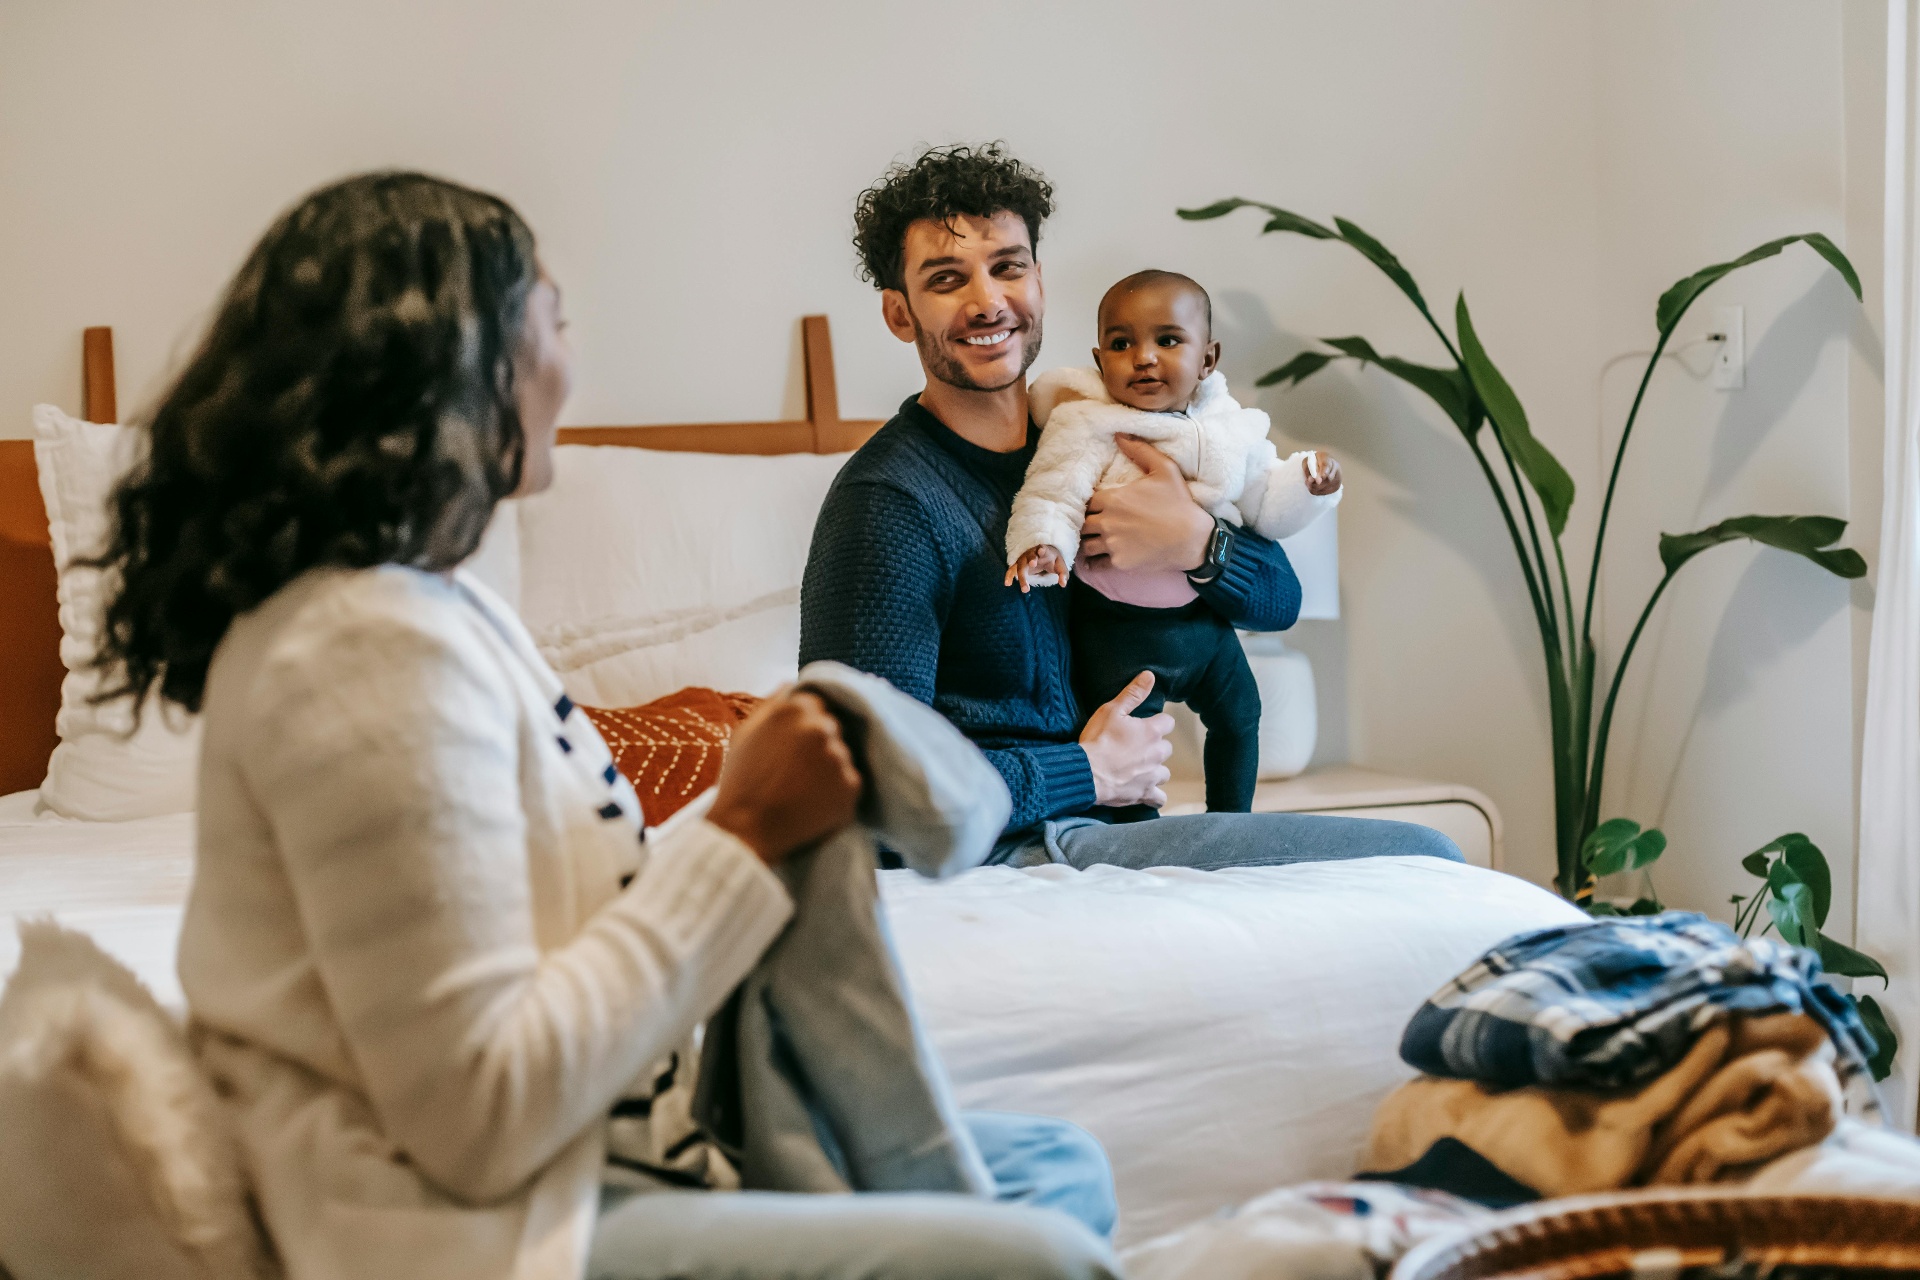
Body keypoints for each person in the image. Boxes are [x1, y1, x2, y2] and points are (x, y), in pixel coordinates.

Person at [91, 171, 1117, 1280]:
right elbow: (480, 1121)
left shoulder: (436, 606)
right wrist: (745, 833)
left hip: (613, 1139)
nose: (571, 367)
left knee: (1058, 1166)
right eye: (555, 323)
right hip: (476, 1224)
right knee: (1036, 1256)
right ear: (464, 366)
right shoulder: (356, 659)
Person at [799, 142, 1461, 870]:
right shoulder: (888, 503)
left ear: (1039, 282)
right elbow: (863, 790)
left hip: (1112, 835)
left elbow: (1280, 603)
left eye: (1008, 267)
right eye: (947, 279)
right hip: (1011, 851)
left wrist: (1197, 543)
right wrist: (1085, 772)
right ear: (899, 313)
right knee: (1419, 860)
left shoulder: (1105, 438)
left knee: (1426, 856)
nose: (987, 301)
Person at [1004, 269, 1344, 813]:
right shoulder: (1087, 424)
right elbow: (1053, 490)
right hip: (1118, 634)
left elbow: (1265, 500)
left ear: (1207, 359)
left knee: (1242, 716)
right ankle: (1135, 832)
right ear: (1099, 361)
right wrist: (1043, 543)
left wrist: (1308, 484)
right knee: (1129, 751)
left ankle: (1231, 822)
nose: (1143, 357)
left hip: (1201, 625)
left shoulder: (1228, 430)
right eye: (1122, 344)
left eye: (1167, 340)